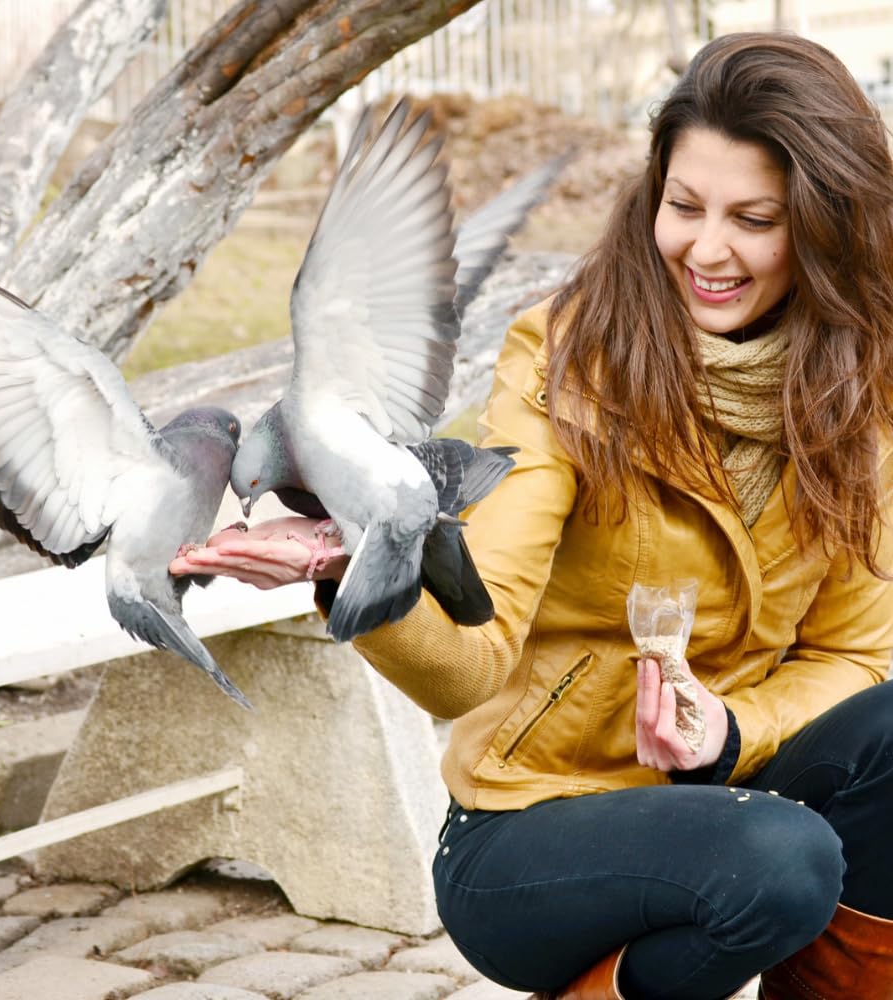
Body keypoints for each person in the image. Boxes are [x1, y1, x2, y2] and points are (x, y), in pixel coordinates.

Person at [170, 32, 893, 1000]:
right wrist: (357, 571)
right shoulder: (573, 358)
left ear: (824, 223)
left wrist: (727, 731)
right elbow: (471, 662)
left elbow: (853, 656)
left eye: (753, 218)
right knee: (780, 857)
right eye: (683, 206)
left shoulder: (860, 389)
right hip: (531, 826)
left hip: (726, 782)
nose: (706, 250)